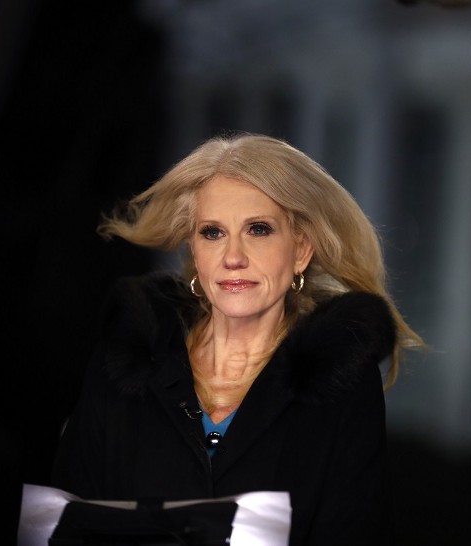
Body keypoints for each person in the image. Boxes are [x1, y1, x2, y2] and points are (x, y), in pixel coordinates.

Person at [50, 133, 424, 545]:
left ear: (301, 249)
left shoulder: (341, 385)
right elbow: (66, 525)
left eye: (258, 229)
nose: (233, 256)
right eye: (213, 233)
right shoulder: (124, 362)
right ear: (194, 250)